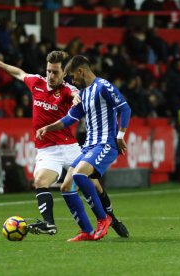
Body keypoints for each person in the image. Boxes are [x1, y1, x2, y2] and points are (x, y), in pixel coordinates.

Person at [0, 50, 129, 238]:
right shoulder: (36, 83)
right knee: (41, 181)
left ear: (64, 73)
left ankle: (111, 218)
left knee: (94, 184)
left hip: (70, 147)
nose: (51, 76)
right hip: (47, 151)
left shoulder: (68, 90)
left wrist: (76, 98)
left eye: (56, 72)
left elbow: (77, 95)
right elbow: (18, 73)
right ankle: (50, 224)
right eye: (49, 71)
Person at [36, 55, 132, 241]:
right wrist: (48, 127)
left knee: (80, 175)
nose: (72, 81)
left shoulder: (103, 86)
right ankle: (86, 231)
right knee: (66, 187)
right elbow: (69, 119)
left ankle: (104, 219)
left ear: (81, 71)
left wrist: (120, 136)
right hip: (89, 147)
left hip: (105, 144)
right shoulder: (84, 94)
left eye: (72, 76)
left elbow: (125, 108)